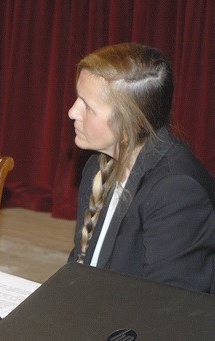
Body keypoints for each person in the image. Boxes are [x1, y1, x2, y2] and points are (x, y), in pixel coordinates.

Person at [68, 42, 215, 293]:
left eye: (88, 106)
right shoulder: (97, 165)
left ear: (131, 123)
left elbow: (169, 304)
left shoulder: (176, 190)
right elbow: (82, 266)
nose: (73, 112)